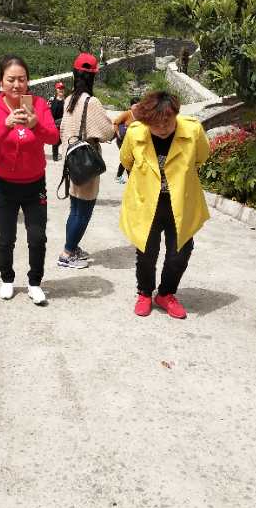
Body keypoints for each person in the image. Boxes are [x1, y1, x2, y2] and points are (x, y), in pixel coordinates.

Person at [119, 91, 210, 319]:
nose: (162, 128)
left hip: (181, 201)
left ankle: (166, 293)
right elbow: (126, 160)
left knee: (181, 252)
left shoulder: (193, 131)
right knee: (146, 251)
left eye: (167, 122)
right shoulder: (135, 133)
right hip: (146, 202)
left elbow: (201, 157)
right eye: (155, 124)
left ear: (176, 115)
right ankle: (144, 292)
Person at [0, 55, 59, 305]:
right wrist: (5, 125)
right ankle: (7, 279)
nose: (16, 85)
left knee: (37, 237)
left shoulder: (39, 104)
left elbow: (54, 138)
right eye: (11, 79)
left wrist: (36, 125)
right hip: (4, 185)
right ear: (1, 81)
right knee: (7, 236)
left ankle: (35, 283)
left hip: (35, 184)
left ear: (28, 81)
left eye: (21, 79)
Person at [57, 53, 114, 270]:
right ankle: (67, 254)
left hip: (72, 159)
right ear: (93, 77)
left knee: (75, 208)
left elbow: (64, 130)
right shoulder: (92, 102)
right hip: (86, 160)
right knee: (83, 211)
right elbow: (107, 132)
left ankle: (72, 247)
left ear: (74, 74)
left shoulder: (69, 99)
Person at [113, 98, 139, 184]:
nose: (138, 107)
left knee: (128, 157)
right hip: (122, 140)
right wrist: (118, 133)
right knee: (127, 157)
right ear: (131, 106)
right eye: (136, 105)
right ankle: (129, 178)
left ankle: (119, 176)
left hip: (132, 141)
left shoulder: (140, 115)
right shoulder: (127, 113)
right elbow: (116, 123)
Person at [49, 82, 66, 161]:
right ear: (56, 89)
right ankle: (55, 156)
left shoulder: (66, 100)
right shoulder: (52, 100)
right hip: (54, 124)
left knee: (63, 140)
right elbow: (48, 111)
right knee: (56, 140)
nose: (61, 90)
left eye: (62, 88)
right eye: (59, 88)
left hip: (64, 124)